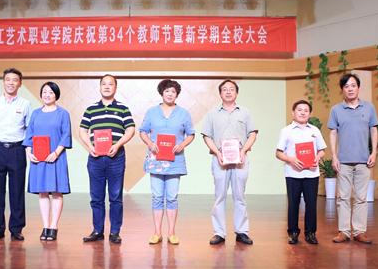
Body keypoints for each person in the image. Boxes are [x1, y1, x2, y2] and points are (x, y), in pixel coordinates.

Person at [79, 74, 135, 244]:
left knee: (115, 197)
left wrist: (117, 145)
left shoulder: (123, 109)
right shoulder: (91, 109)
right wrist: (90, 147)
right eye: (104, 84)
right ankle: (97, 231)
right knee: (96, 197)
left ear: (115, 88)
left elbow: (130, 129)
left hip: (116, 158)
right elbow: (82, 130)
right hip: (95, 158)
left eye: (111, 84)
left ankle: (115, 232)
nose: (107, 86)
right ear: (100, 87)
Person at [139, 79, 195, 245]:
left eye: (173, 91)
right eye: (167, 91)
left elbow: (191, 134)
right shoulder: (151, 112)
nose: (170, 94)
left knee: (172, 197)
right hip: (156, 161)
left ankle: (171, 233)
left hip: (175, 161)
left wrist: (182, 145)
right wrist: (150, 144)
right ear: (162, 93)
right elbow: (142, 131)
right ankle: (157, 232)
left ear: (177, 94)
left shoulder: (183, 113)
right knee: (157, 196)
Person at [202, 79, 258, 246]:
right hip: (219, 159)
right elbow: (207, 136)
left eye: (231, 89)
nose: (228, 92)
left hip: (240, 159)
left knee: (240, 196)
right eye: (224, 89)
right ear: (220, 93)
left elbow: (252, 134)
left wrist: (243, 151)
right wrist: (217, 152)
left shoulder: (245, 112)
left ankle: (242, 231)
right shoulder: (212, 113)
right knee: (219, 196)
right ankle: (219, 233)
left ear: (236, 93)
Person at [328, 73, 378, 244]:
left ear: (358, 88)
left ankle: (359, 231)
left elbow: (374, 130)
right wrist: (334, 156)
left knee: (361, 198)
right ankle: (343, 231)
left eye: (353, 85)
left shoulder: (369, 108)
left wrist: (373, 152)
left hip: (364, 161)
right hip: (343, 161)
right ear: (342, 89)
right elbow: (333, 133)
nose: (350, 89)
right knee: (342, 197)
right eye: (346, 86)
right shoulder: (336, 110)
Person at [0, 68, 32, 242]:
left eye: (15, 80)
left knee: (17, 191)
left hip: (17, 150)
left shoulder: (25, 104)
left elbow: (29, 128)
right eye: (8, 79)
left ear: (20, 83)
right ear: (3, 82)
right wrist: (0, 141)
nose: (11, 83)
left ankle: (16, 229)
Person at [23, 82, 72, 241]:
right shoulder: (36, 113)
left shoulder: (63, 113)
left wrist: (56, 153)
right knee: (42, 192)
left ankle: (54, 227)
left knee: (57, 192)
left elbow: (66, 135)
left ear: (56, 95)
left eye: (50, 92)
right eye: (44, 92)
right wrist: (29, 152)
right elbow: (29, 134)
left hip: (56, 157)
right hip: (38, 159)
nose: (47, 95)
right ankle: (45, 226)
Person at [276, 100, 326, 245]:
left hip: (311, 173)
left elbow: (322, 150)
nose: (303, 112)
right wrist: (291, 159)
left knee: (311, 204)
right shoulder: (286, 131)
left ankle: (310, 233)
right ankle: (293, 233)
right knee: (293, 204)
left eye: (306, 110)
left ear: (309, 114)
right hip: (293, 174)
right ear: (293, 113)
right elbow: (278, 153)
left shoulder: (314, 130)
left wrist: (317, 157)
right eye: (299, 110)